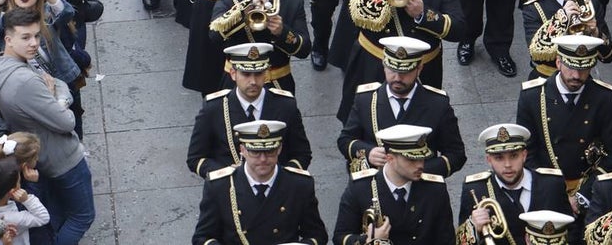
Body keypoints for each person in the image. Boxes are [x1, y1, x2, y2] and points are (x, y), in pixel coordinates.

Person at [0, 7, 94, 245]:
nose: (34, 43)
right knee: (82, 216)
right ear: (8, 39)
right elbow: (67, 120)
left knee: (60, 214)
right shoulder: (25, 80)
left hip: (42, 151)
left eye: (36, 36)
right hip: (62, 158)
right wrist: (56, 95)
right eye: (25, 37)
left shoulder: (0, 63)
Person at [337, 36, 466, 177]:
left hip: (420, 187)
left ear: (419, 68)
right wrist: (368, 152)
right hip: (377, 185)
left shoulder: (437, 104)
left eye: (405, 72)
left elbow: (456, 155)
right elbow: (345, 140)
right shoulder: (366, 99)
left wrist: (418, 169)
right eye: (392, 70)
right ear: (384, 65)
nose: (397, 78)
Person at [515, 34, 612, 197]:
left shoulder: (604, 97)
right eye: (571, 68)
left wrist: (583, 195)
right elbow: (526, 150)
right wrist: (548, 189)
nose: (576, 76)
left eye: (583, 69)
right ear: (558, 62)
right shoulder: (532, 96)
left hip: (588, 189)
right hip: (545, 188)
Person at [185, 43, 312, 178]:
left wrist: (278, 177)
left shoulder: (285, 105)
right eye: (246, 74)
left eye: (258, 74)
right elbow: (196, 158)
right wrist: (227, 174)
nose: (253, 81)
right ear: (233, 73)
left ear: (266, 73)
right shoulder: (214, 108)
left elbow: (302, 154)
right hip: (230, 191)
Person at [194, 118, 327, 245]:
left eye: (270, 151)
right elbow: (203, 237)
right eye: (255, 152)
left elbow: (317, 235)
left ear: (279, 149)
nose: (263, 159)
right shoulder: (220, 186)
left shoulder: (299, 185)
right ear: (243, 150)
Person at [331, 124, 452, 245]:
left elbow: (446, 239)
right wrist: (369, 241)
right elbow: (340, 237)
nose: (420, 165)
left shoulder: (435, 189)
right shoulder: (360, 187)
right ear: (390, 158)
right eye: (411, 160)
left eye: (422, 158)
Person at [454, 123, 571, 244]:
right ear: (489, 160)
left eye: (514, 156)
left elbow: (572, 230)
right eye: (499, 158)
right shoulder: (476, 189)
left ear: (524, 155)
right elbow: (459, 241)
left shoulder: (551, 184)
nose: (508, 165)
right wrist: (473, 227)